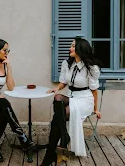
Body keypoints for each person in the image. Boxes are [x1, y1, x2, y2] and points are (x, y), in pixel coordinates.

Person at [40, 37, 101, 166]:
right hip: (72, 97)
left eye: (73, 46)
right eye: (71, 46)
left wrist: (96, 109)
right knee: (57, 98)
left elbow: (94, 91)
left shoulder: (91, 68)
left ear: (80, 48)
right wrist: (56, 89)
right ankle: (63, 135)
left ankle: (50, 155)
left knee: (58, 117)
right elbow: (63, 82)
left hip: (85, 100)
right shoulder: (67, 64)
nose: (70, 48)